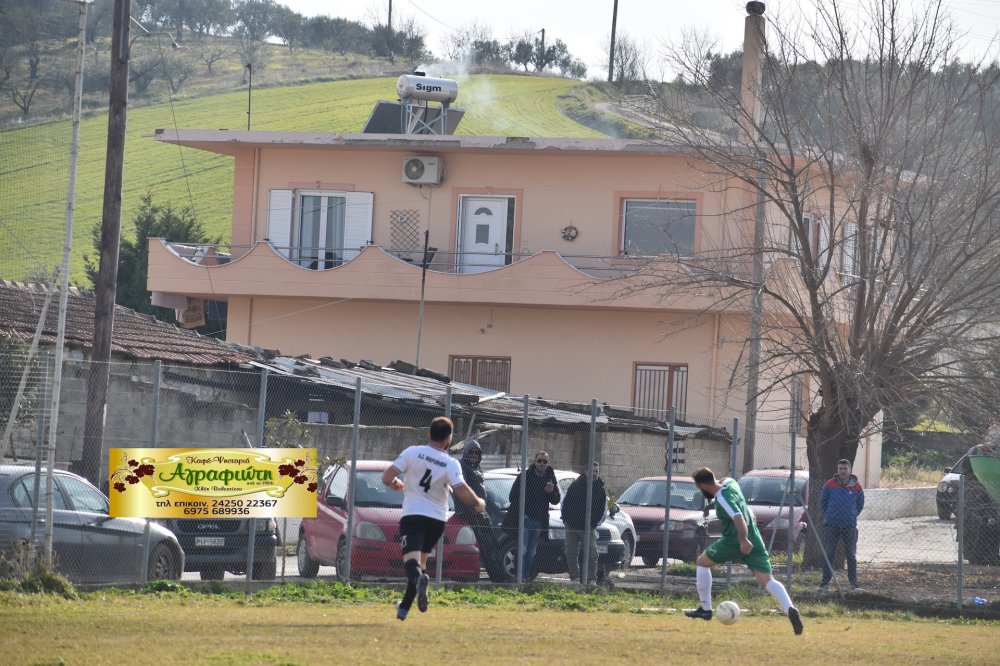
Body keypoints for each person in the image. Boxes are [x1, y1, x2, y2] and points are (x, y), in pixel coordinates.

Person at [382, 416, 485, 621]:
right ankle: (403, 609)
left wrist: (394, 483)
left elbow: (386, 476)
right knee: (420, 563)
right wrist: (478, 502)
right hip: (437, 521)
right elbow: (462, 491)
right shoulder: (451, 463)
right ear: (449, 438)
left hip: (413, 516)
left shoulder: (412, 452)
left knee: (411, 563)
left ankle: (419, 583)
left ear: (429, 433)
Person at [685, 467, 803, 635]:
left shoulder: (722, 499)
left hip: (734, 540)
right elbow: (726, 479)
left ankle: (705, 609)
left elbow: (738, 517)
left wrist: (742, 540)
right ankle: (790, 608)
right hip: (755, 538)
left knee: (702, 563)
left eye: (699, 487)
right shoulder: (730, 484)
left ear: (704, 485)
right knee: (767, 580)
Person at [500, 450, 561, 579]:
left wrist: (550, 492)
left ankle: (526, 577)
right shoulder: (525, 476)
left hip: (539, 522)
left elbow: (556, 500)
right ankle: (519, 578)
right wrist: (523, 512)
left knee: (532, 552)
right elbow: (512, 497)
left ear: (548, 463)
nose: (541, 464)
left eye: (544, 461)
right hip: (525, 520)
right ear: (534, 461)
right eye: (539, 461)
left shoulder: (550, 477)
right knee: (522, 550)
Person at [454, 439, 504, 581]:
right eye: (472, 452)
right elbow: (460, 489)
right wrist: (470, 508)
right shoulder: (462, 466)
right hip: (470, 510)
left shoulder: (477, 466)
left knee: (492, 541)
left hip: (481, 509)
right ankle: (497, 576)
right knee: (485, 543)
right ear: (466, 452)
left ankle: (499, 574)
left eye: (477, 452)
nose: (474, 455)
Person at [818, 458, 865, 592]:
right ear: (837, 470)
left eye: (845, 469)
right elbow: (823, 502)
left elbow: (860, 504)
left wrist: (851, 515)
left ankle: (853, 584)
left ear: (850, 470)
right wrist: (831, 514)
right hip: (832, 525)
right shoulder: (830, 484)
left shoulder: (857, 486)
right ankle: (824, 584)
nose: (843, 471)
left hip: (849, 526)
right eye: (840, 469)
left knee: (851, 555)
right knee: (829, 554)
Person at [561, 462, 607, 584]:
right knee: (571, 553)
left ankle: (592, 580)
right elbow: (565, 503)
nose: (595, 474)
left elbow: (603, 510)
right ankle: (574, 579)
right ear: (586, 472)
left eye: (597, 471)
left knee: (592, 554)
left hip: (588, 528)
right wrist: (565, 520)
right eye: (592, 471)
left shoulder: (600, 490)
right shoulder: (575, 485)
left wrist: (594, 524)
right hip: (572, 526)